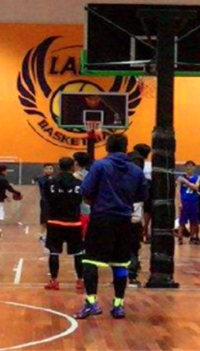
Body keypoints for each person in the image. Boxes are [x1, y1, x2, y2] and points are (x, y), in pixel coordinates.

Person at [75, 134, 148, 320]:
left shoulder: (100, 165)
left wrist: (98, 200)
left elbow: (86, 190)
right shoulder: (136, 170)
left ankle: (92, 302)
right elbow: (142, 195)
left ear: (107, 147)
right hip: (124, 220)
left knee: (90, 261)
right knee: (120, 263)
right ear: (125, 147)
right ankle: (118, 305)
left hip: (101, 218)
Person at [44, 157, 85, 291]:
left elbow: (47, 200)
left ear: (59, 166)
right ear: (73, 167)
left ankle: (54, 281)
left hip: (55, 221)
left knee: (54, 252)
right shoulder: (79, 183)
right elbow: (81, 200)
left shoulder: (51, 182)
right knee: (78, 252)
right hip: (73, 222)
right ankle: (80, 280)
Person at [127, 152, 147, 287]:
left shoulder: (120, 178)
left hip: (127, 218)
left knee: (127, 249)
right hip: (131, 219)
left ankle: (127, 275)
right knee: (132, 249)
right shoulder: (142, 181)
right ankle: (131, 275)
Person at [176, 161, 200, 245]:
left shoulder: (197, 177)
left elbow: (196, 187)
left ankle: (192, 237)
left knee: (193, 220)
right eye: (188, 166)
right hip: (184, 200)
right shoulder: (180, 177)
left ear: (194, 167)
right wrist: (179, 202)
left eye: (191, 166)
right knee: (182, 220)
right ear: (185, 167)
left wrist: (185, 181)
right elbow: (178, 191)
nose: (189, 168)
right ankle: (180, 237)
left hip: (193, 200)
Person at [133, 144, 152, 242]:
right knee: (146, 212)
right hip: (145, 190)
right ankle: (144, 232)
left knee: (143, 212)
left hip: (140, 190)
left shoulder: (135, 164)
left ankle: (144, 232)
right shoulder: (150, 165)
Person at [73, 152, 92, 238]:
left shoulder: (73, 177)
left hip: (79, 210)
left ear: (76, 162)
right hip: (91, 208)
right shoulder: (91, 175)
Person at [37, 163, 55, 240]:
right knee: (44, 218)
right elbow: (44, 185)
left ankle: (52, 233)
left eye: (50, 168)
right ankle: (42, 233)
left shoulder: (56, 178)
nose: (49, 170)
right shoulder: (41, 179)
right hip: (45, 201)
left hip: (54, 201)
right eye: (47, 168)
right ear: (44, 170)